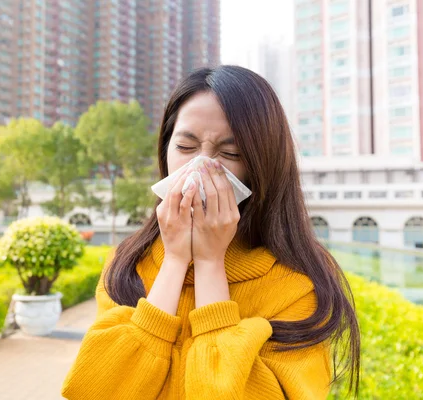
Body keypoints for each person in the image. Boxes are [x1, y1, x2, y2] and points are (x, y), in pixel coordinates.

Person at [61, 65, 360, 399]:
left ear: (262, 165)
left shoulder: (297, 285)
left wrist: (209, 263)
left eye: (230, 153)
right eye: (186, 147)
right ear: (165, 149)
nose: (201, 167)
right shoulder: (127, 262)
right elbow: (98, 390)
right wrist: (175, 260)